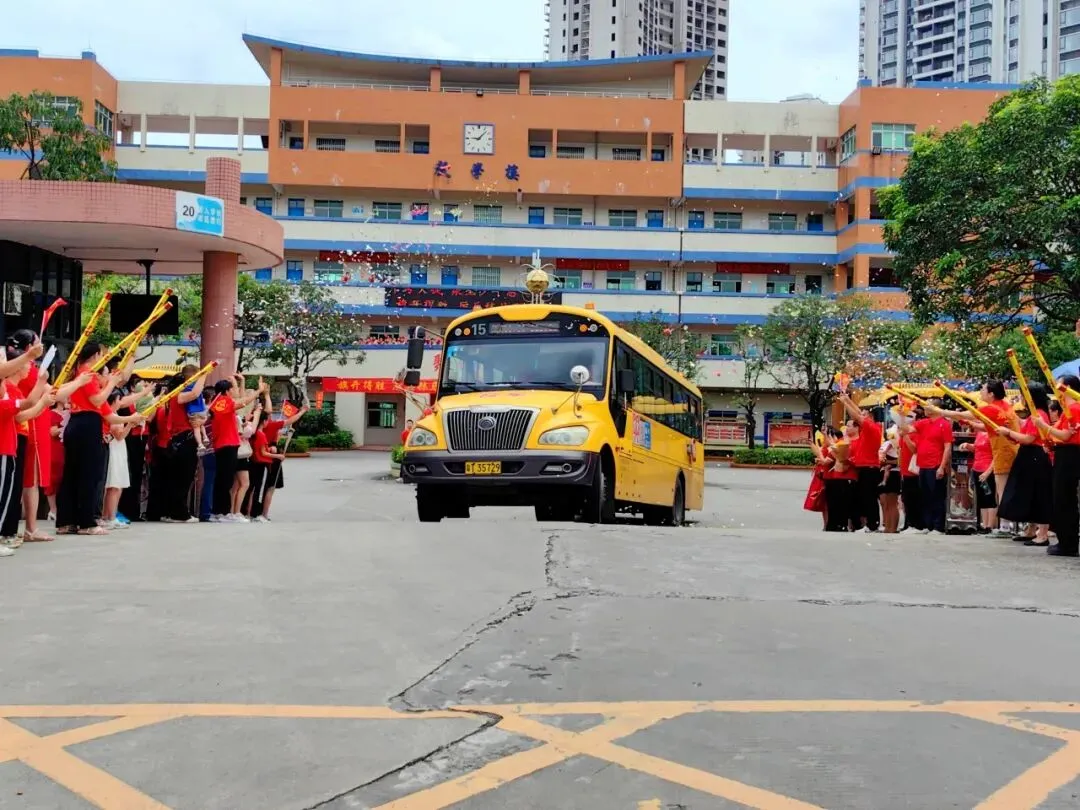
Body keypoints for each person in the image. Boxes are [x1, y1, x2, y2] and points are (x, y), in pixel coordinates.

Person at [55, 344, 144, 536]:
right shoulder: (88, 374)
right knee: (88, 475)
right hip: (86, 426)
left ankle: (68, 520)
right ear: (96, 355)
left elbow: (109, 415)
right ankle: (86, 522)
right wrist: (111, 383)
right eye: (102, 355)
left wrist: (132, 419)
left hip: (81, 425)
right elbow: (97, 400)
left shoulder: (81, 374)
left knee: (74, 474)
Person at [995, 384, 1053, 547]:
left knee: (1039, 494)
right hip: (1027, 456)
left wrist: (1009, 433)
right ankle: (1030, 529)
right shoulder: (1031, 415)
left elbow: (1029, 438)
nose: (1021, 399)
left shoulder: (1039, 414)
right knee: (1028, 494)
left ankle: (1042, 533)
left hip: (1035, 456)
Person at [1031, 374, 1080, 557]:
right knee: (1062, 499)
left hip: (1070, 454)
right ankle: (1066, 541)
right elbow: (1059, 434)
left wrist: (1043, 426)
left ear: (1065, 387)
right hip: (1064, 453)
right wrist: (1049, 440)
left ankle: (1068, 544)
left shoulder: (1074, 408)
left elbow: (1066, 436)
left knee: (1064, 500)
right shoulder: (1068, 408)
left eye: (1057, 383)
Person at [209, 374, 263, 523]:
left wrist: (239, 381)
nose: (234, 392)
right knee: (225, 481)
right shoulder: (223, 402)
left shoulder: (218, 402)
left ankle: (219, 512)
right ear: (227, 391)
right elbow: (243, 402)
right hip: (227, 445)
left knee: (223, 480)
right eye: (232, 389)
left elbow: (239, 400)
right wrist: (258, 391)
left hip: (223, 444)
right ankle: (223, 512)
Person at [256, 393, 308, 522]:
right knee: (269, 487)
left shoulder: (255, 425)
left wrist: (267, 395)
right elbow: (290, 421)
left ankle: (256, 512)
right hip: (269, 460)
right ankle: (263, 513)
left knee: (258, 488)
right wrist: (302, 412)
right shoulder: (271, 425)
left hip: (257, 459)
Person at [905, 400, 953, 535]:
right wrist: (901, 419)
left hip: (935, 464)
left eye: (928, 405)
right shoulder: (924, 422)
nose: (925, 407)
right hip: (923, 464)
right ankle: (928, 524)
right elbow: (909, 429)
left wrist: (942, 466)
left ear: (936, 408)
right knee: (925, 496)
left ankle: (938, 526)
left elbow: (947, 447)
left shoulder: (944, 424)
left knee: (937, 496)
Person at [837, 391, 882, 532]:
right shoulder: (866, 428)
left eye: (864, 414)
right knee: (865, 497)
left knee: (869, 498)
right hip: (864, 467)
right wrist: (848, 400)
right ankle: (870, 524)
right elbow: (857, 413)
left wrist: (845, 402)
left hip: (870, 467)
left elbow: (856, 416)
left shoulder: (872, 428)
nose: (861, 415)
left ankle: (873, 525)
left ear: (870, 417)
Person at [246, 411, 286, 522]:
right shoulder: (261, 434)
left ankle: (249, 513)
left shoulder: (253, 434)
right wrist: (277, 456)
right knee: (260, 489)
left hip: (253, 463)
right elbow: (263, 453)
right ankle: (258, 514)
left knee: (252, 490)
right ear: (264, 421)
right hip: (262, 464)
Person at [101, 390, 132, 531]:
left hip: (118, 450)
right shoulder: (111, 417)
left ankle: (109, 516)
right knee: (113, 485)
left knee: (117, 485)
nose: (121, 402)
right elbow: (119, 436)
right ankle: (110, 517)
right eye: (119, 399)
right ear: (113, 400)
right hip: (114, 450)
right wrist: (130, 424)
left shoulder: (116, 416)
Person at [959, 429, 997, 534]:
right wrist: (967, 445)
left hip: (986, 470)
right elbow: (976, 448)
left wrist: (988, 472)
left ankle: (990, 526)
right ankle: (984, 524)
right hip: (977, 469)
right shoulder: (979, 433)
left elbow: (997, 454)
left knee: (989, 497)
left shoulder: (993, 434)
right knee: (981, 498)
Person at [878, 425, 901, 534]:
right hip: (883, 473)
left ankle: (893, 528)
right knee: (885, 502)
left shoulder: (897, 445)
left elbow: (898, 461)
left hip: (894, 473)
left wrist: (886, 462)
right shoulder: (886, 444)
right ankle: (887, 526)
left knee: (892, 503)